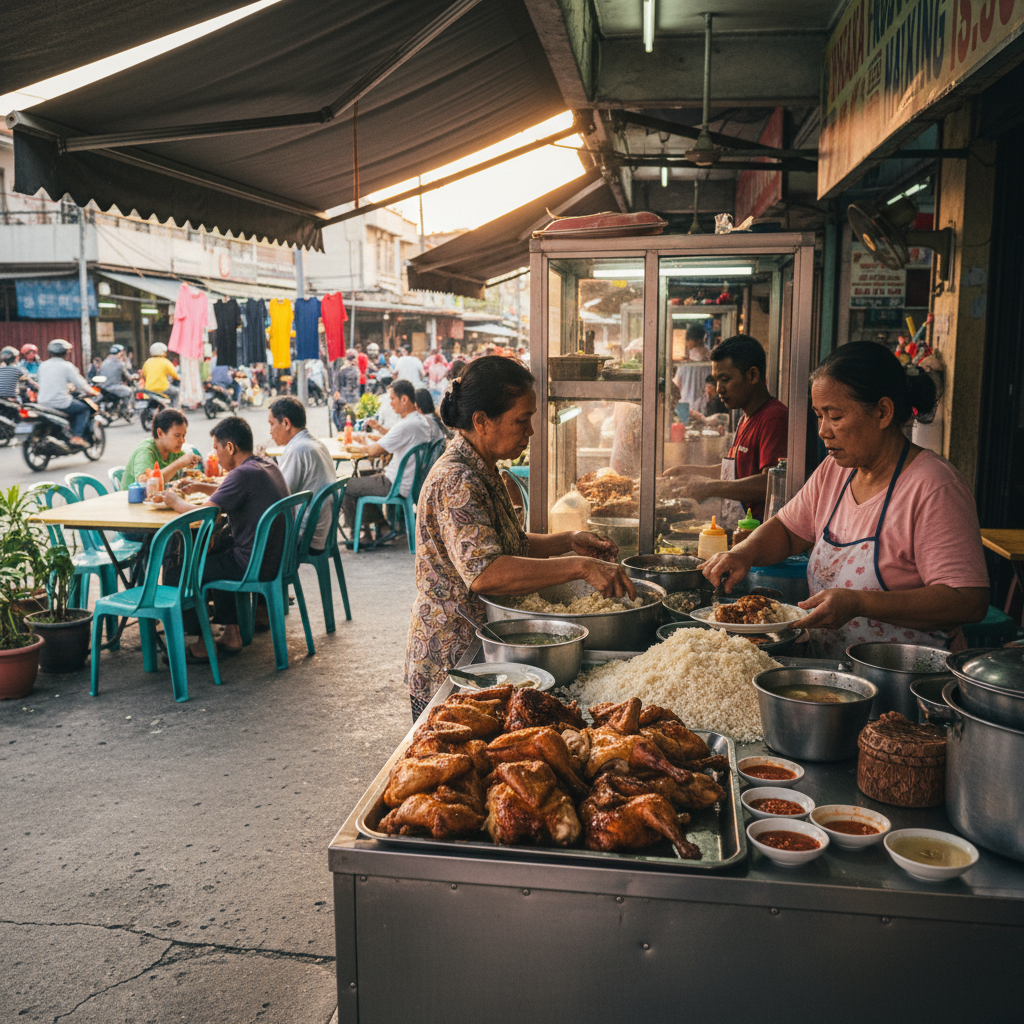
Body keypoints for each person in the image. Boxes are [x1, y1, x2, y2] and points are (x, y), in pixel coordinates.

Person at [702, 342, 989, 660]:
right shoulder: (835, 471)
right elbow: (788, 529)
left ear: (882, 412)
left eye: (835, 416)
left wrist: (859, 603)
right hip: (835, 675)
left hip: (906, 683)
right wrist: (744, 553)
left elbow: (968, 599)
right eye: (818, 416)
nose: (823, 431)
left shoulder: (934, 487)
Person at [404, 356, 635, 718]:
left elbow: (503, 545)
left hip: (486, 648)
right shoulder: (457, 480)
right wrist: (578, 567)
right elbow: (486, 572)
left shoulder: (482, 467)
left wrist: (567, 541)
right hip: (455, 659)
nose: (529, 432)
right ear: (482, 422)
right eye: (521, 420)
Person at [159, 416, 289, 658]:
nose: (216, 455)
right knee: (215, 550)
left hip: (250, 564)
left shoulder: (241, 475)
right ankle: (231, 633)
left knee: (179, 570)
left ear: (230, 447)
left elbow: (207, 513)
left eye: (217, 448)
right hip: (272, 558)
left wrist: (174, 500)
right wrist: (199, 487)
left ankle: (201, 644)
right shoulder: (264, 465)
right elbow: (229, 494)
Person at [663, 335, 788, 528]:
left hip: (761, 531)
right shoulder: (746, 417)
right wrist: (689, 471)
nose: (719, 389)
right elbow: (734, 471)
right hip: (740, 528)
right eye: (716, 380)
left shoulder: (774, 418)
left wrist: (709, 487)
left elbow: (770, 484)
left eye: (725, 379)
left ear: (753, 375)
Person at [343, 379, 433, 547]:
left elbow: (374, 451)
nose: (390, 404)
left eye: (392, 399)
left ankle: (364, 534)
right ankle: (382, 525)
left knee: (345, 486)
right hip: (407, 481)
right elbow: (393, 438)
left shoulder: (407, 425)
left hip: (394, 483)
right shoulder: (419, 422)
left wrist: (353, 446)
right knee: (363, 477)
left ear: (404, 399)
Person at [267, 396, 337, 551]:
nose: (270, 431)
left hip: (307, 536)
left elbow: (280, 496)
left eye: (272, 424)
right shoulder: (314, 443)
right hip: (321, 530)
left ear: (286, 423)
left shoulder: (298, 449)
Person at [120, 408, 201, 490]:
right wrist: (179, 464)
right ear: (160, 433)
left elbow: (179, 472)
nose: (182, 441)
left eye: (183, 436)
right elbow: (144, 482)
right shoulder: (145, 450)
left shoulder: (172, 450)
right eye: (177, 435)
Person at [36, 339, 94, 445]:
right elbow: (80, 383)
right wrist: (91, 391)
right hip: (60, 402)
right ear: (66, 353)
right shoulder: (66, 366)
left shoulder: (43, 365)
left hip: (42, 402)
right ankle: (77, 436)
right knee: (84, 409)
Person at [141, 342, 180, 406]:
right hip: (163, 388)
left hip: (149, 389)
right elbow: (175, 375)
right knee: (177, 392)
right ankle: (175, 409)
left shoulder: (147, 362)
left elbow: (143, 375)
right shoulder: (165, 362)